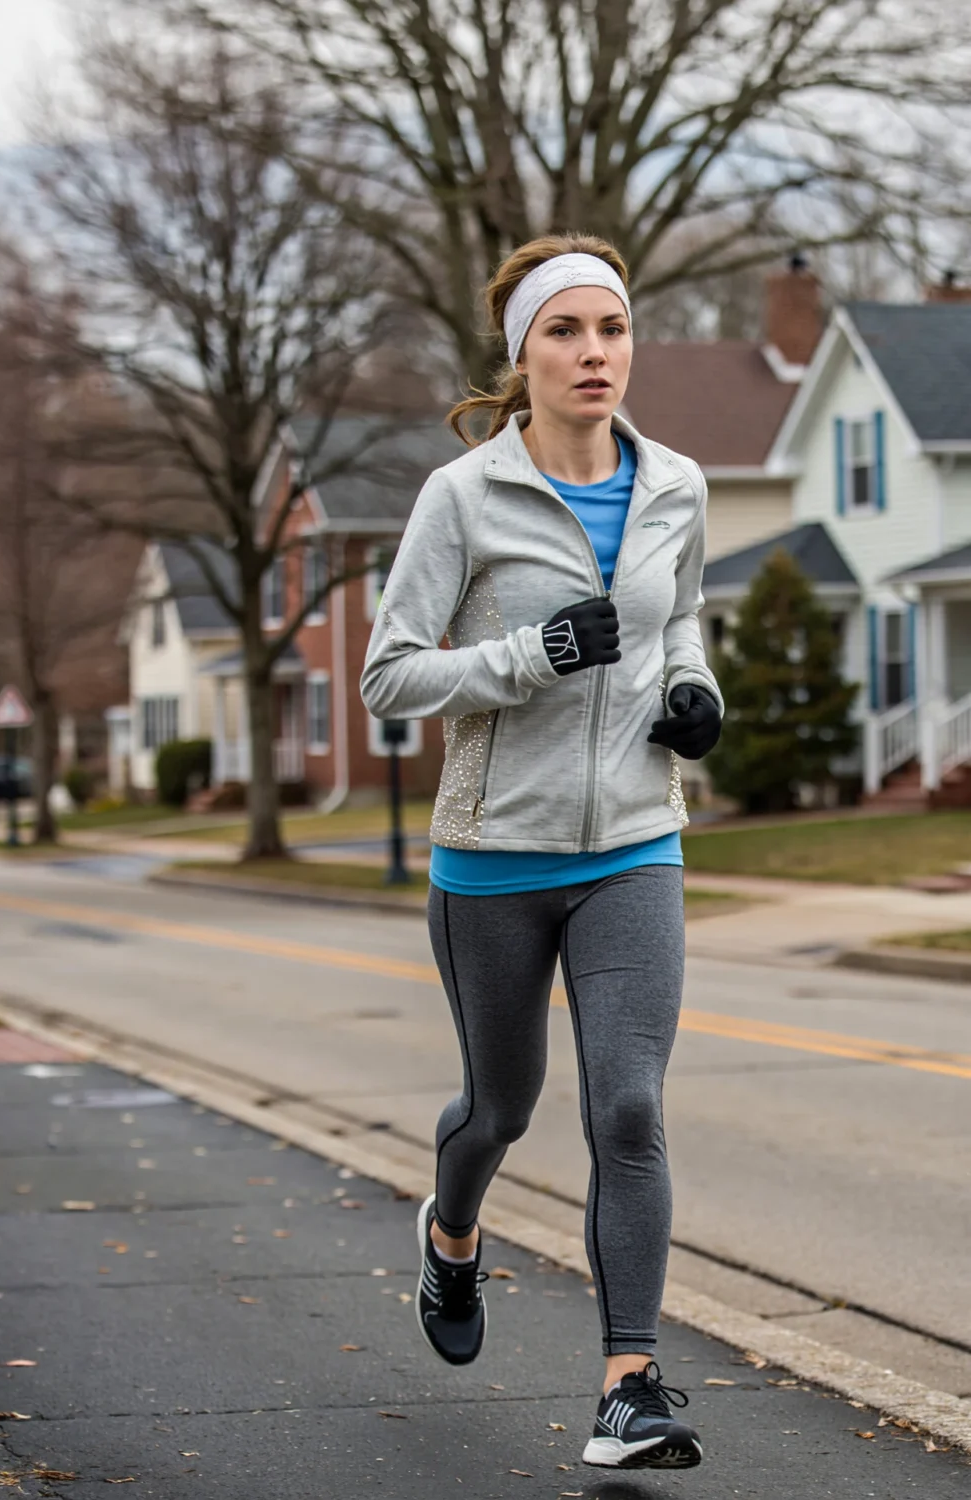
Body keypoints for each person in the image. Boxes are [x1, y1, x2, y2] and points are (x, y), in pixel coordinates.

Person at [360, 233, 723, 1472]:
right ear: (523, 355)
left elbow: (679, 626)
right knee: (498, 1108)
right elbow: (388, 677)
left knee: (627, 1105)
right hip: (492, 858)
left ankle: (631, 1387)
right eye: (564, 332)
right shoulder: (461, 498)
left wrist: (692, 694)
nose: (593, 354)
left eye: (610, 330)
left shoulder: (674, 483)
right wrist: (528, 659)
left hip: (635, 839)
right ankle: (451, 1236)